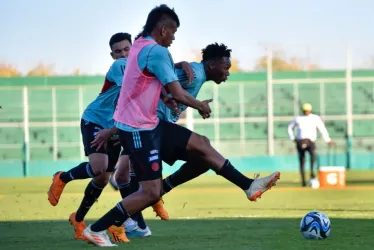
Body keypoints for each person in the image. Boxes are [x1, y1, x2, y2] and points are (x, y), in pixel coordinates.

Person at [83, 4, 280, 247]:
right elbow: (176, 90)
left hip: (149, 124)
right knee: (149, 192)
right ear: (163, 29)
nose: (174, 38)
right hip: (138, 129)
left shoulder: (139, 47)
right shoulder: (157, 52)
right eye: (173, 32)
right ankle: (99, 228)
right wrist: (199, 105)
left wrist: (168, 92)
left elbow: (150, 84)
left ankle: (248, 186)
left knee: (202, 147)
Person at [46, 32, 172, 242]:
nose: (123, 54)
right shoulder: (120, 67)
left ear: (133, 48)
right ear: (112, 55)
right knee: (99, 168)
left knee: (105, 178)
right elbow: (133, 88)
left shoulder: (141, 67)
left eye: (126, 49)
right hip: (96, 121)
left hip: (118, 127)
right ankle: (62, 178)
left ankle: (81, 220)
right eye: (118, 51)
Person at [108, 42, 235, 209]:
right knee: (127, 178)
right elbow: (159, 76)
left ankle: (134, 215)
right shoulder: (195, 73)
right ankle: (123, 219)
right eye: (226, 67)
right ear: (212, 64)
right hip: (148, 125)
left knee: (203, 156)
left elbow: (166, 79)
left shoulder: (196, 74)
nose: (227, 73)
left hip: (153, 126)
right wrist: (197, 104)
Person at [288, 103, 334, 187]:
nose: (306, 112)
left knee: (313, 157)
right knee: (302, 161)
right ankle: (303, 181)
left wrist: (328, 139)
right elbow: (290, 127)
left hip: (311, 142)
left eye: (308, 111)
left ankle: (312, 175)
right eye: (305, 111)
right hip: (300, 141)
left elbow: (322, 128)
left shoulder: (315, 118)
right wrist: (293, 138)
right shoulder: (298, 118)